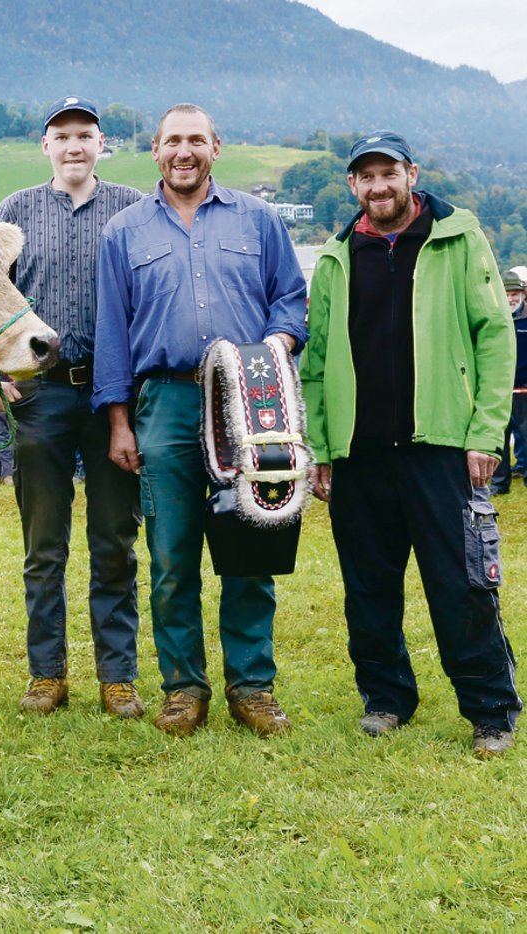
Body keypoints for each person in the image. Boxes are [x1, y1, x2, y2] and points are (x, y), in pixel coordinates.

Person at [301, 131, 521, 757]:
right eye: (365, 176)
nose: (378, 186)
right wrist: (321, 448)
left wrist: (485, 433)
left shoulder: (457, 237)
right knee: (368, 588)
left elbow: (494, 337)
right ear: (352, 185)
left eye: (388, 173)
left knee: (463, 585)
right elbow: (316, 364)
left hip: (441, 448)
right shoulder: (338, 255)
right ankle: (386, 698)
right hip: (359, 453)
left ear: (411, 174)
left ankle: (490, 710)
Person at [94, 103, 307, 736]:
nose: (183, 151)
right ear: (154, 151)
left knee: (252, 544)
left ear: (216, 146)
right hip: (165, 400)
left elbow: (290, 302)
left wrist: (270, 356)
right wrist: (119, 421)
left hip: (248, 399)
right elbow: (113, 332)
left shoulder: (260, 220)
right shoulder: (124, 232)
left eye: (196, 140)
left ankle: (253, 686)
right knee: (170, 553)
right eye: (172, 142)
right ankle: (184, 688)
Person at [0, 95, 145, 717]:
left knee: (114, 541)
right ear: (44, 146)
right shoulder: (16, 211)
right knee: (44, 546)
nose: (74, 146)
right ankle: (46, 674)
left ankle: (117, 676)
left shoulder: (133, 208)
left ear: (102, 143)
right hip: (42, 394)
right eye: (62, 136)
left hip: (111, 396)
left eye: (85, 135)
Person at [490, 268, 527, 494]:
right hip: (500, 391)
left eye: (515, 294)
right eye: (507, 294)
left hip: (524, 393)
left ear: (523, 294)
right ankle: (499, 484)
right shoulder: (495, 319)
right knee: (498, 441)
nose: (511, 298)